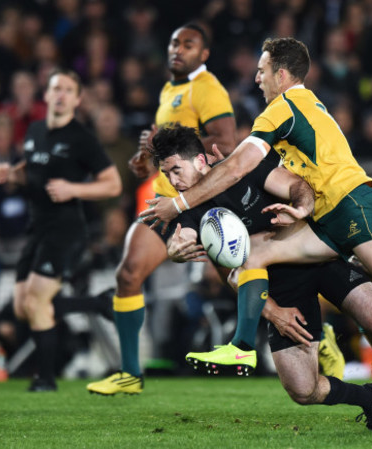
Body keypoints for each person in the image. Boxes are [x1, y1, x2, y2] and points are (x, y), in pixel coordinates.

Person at [139, 37, 372, 391]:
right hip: (326, 217)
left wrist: (178, 204)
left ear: (282, 74)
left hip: (349, 205)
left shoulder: (281, 109)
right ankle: (243, 345)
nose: (256, 78)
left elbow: (240, 165)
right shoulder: (304, 106)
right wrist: (303, 206)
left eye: (262, 70)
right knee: (257, 256)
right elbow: (296, 180)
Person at [147, 125, 372, 432]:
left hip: (320, 259)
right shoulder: (189, 210)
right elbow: (227, 270)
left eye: (177, 169)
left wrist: (298, 206)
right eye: (167, 174)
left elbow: (298, 186)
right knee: (302, 389)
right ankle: (369, 398)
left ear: (202, 160)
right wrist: (272, 310)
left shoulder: (244, 167)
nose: (174, 181)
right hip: (281, 289)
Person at [86, 22, 236, 395]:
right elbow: (167, 147)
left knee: (240, 283)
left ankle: (317, 333)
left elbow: (226, 141)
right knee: (128, 274)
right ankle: (131, 374)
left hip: (198, 203)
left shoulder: (208, 88)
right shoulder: (171, 89)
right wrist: (147, 158)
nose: (178, 49)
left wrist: (161, 143)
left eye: (189, 44)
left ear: (203, 55)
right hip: (164, 199)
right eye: (174, 42)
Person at [0, 69, 122, 392]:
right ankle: (98, 304)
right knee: (23, 307)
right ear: (47, 96)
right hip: (36, 227)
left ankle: (46, 380)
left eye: (68, 90)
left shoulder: (81, 138)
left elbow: (112, 185)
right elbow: (32, 169)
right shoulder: (35, 130)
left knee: (37, 302)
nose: (61, 95)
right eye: (56, 89)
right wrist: (12, 174)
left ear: (77, 100)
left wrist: (73, 189)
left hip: (66, 230)